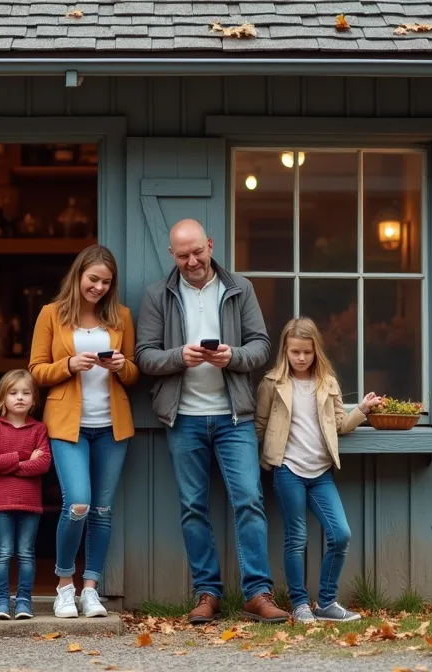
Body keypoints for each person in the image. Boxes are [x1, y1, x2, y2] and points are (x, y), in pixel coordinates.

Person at [134, 219, 289, 624]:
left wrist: (231, 357)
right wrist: (177, 357)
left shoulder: (239, 288)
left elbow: (262, 346)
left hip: (233, 416)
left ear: (211, 245)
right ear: (172, 255)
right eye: (182, 255)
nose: (191, 261)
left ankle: (258, 593)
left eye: (197, 252)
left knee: (250, 501)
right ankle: (207, 593)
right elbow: (145, 356)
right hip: (183, 417)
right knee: (192, 508)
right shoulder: (157, 295)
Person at [29, 244, 138, 619]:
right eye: (93, 279)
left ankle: (90, 589)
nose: (99, 288)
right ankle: (63, 585)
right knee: (77, 504)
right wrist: (70, 364)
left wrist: (124, 366)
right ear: (78, 276)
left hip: (112, 426)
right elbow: (36, 371)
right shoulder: (51, 315)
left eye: (107, 282)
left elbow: (135, 374)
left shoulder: (121, 316)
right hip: (67, 426)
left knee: (102, 511)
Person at [254, 317, 381, 623]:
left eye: (307, 352)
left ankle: (326, 603)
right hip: (288, 471)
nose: (301, 358)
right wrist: (267, 459)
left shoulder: (327, 383)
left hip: (321, 472)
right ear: (285, 350)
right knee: (296, 538)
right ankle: (299, 604)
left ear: (316, 352)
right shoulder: (272, 383)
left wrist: (361, 410)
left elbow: (339, 426)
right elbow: (259, 428)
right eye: (295, 352)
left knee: (340, 534)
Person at [0, 369, 53, 621]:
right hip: (1, 503)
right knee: (3, 553)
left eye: (26, 393)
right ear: (3, 397)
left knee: (26, 553)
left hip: (30, 503)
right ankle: (1, 602)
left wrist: (9, 467)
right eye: (13, 393)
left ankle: (23, 602)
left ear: (34, 398)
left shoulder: (39, 429)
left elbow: (42, 465)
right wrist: (22, 458)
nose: (20, 397)